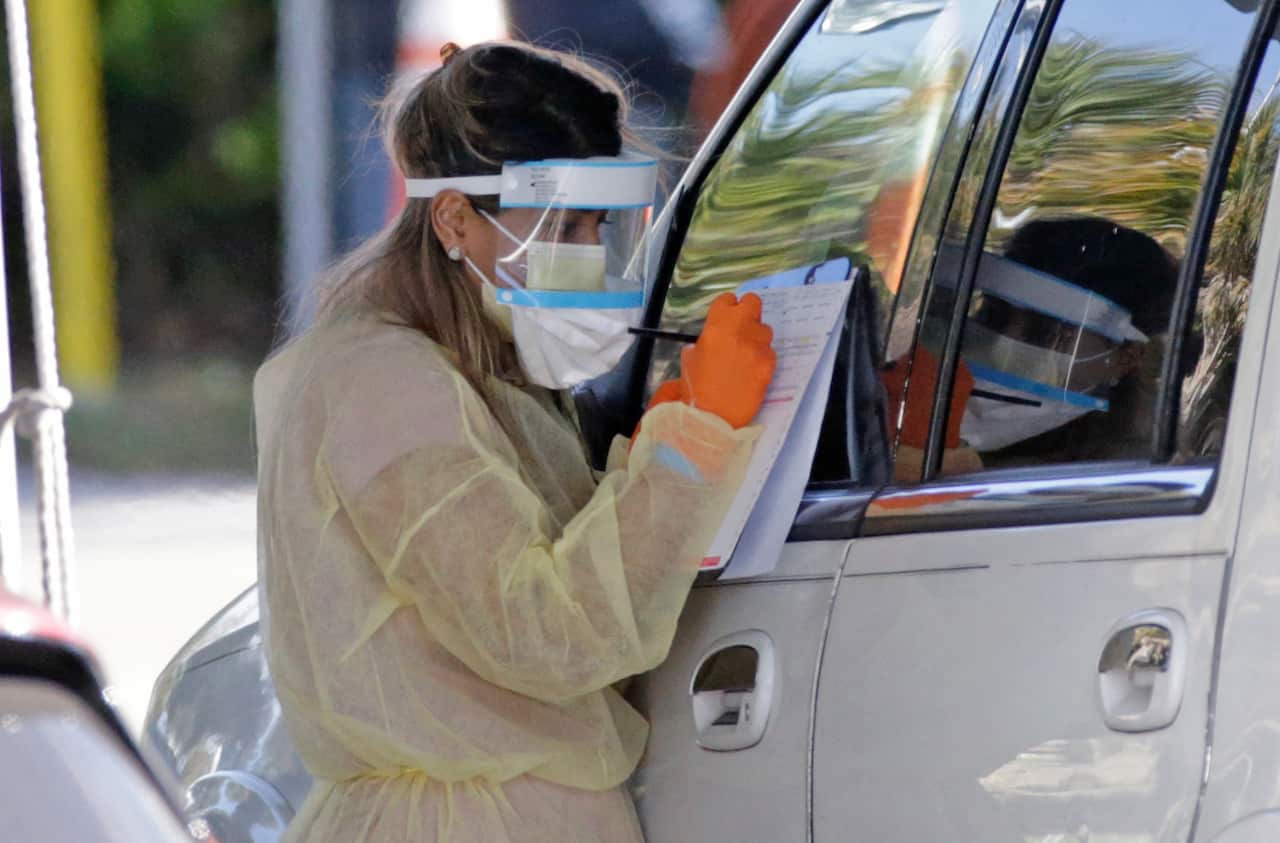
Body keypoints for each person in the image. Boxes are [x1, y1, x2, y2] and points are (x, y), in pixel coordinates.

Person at [252, 42, 775, 842]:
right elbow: (545, 632)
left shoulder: (478, 370)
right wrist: (689, 446)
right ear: (456, 218)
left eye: (597, 224)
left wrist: (654, 453)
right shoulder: (381, 383)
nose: (586, 254)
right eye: (562, 223)